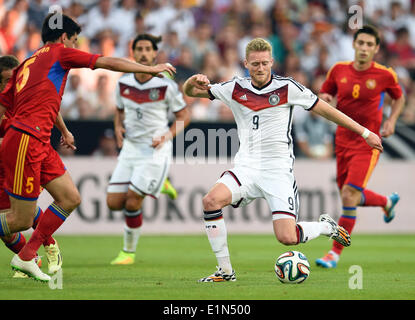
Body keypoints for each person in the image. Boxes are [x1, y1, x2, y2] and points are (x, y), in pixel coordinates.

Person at [182, 37, 383, 282]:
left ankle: (325, 228)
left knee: (287, 237)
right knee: (210, 200)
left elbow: (326, 111)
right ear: (246, 63)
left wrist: (364, 132)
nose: (260, 68)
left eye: (264, 63)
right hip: (246, 168)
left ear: (272, 62)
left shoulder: (288, 88)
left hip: (277, 172)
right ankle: (225, 272)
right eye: (255, 64)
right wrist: (192, 83)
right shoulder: (234, 88)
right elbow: (192, 92)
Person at [0, 13, 175, 282]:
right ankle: (27, 255)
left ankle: (26, 257)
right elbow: (103, 61)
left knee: (70, 198)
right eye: (74, 40)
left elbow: (10, 103)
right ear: (64, 38)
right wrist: (148, 69)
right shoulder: (59, 53)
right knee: (21, 220)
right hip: (26, 137)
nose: (75, 45)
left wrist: (63, 130)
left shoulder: (29, 63)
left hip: (38, 139)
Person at [315, 25, 405, 268]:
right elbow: (326, 92)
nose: (364, 48)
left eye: (369, 45)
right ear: (354, 45)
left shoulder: (385, 75)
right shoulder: (338, 70)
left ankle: (334, 253)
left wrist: (392, 120)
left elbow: (399, 97)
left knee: (348, 195)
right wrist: (325, 98)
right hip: (342, 141)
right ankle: (386, 202)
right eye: (361, 43)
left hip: (369, 142)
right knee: (350, 195)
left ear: (376, 49)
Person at [106, 34, 190, 265]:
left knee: (133, 200)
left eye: (147, 49)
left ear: (155, 54)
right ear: (133, 53)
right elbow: (119, 109)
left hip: (155, 150)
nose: (143, 53)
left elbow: (184, 117)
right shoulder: (123, 83)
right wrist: (117, 127)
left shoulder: (166, 85)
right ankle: (160, 183)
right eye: (139, 49)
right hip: (131, 148)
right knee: (113, 203)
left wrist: (167, 135)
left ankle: (128, 253)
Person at [0, 55, 77, 278]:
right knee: (10, 227)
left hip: (29, 154)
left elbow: (49, 107)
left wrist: (64, 130)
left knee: (27, 210)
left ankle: (47, 246)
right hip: (6, 163)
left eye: (14, 79)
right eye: (6, 80)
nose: (12, 85)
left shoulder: (26, 93)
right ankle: (30, 257)